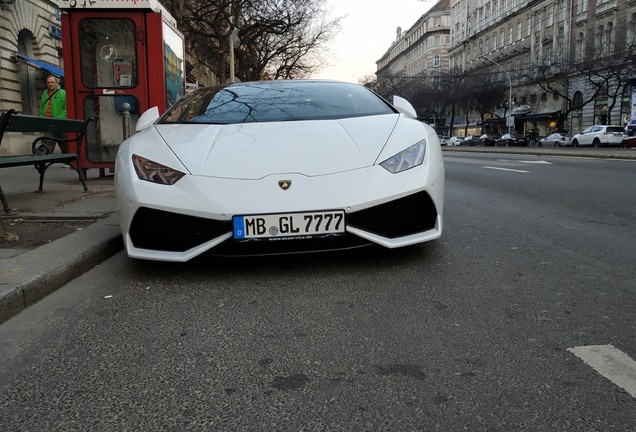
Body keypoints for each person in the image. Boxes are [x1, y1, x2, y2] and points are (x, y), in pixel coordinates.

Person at [38, 75, 67, 154]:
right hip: (47, 121)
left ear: (56, 83)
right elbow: (42, 107)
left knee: (63, 142)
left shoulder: (62, 93)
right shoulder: (45, 93)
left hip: (59, 122)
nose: (50, 84)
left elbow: (67, 108)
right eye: (48, 82)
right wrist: (41, 117)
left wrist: (59, 118)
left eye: (52, 82)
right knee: (47, 141)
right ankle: (44, 159)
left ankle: (67, 160)